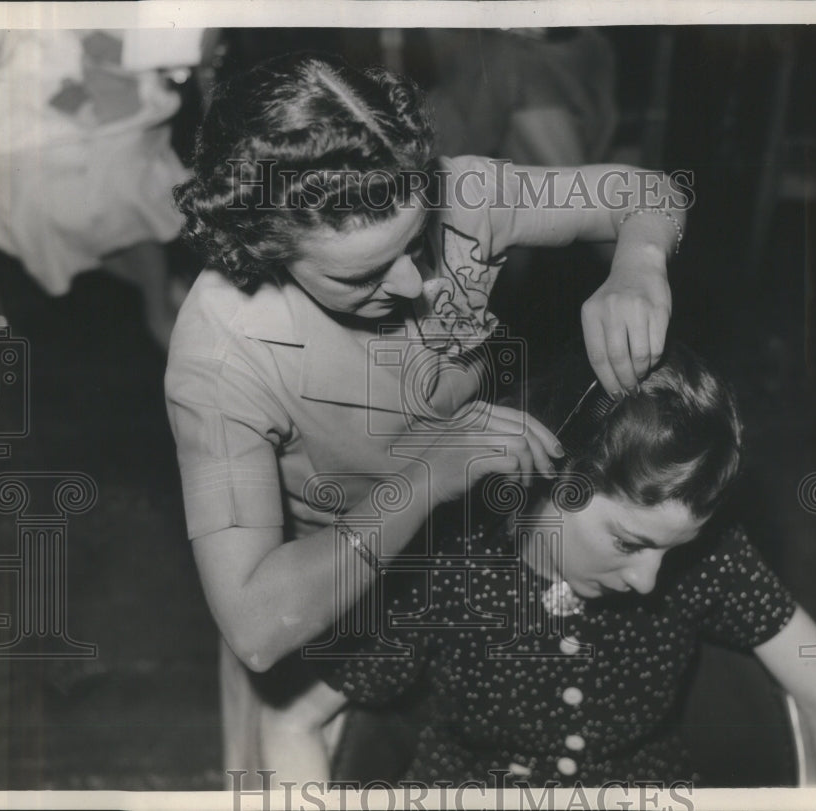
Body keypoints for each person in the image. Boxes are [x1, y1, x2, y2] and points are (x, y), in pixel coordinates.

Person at [164, 52, 687, 780]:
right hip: (329, 592)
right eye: (362, 274)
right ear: (264, 248)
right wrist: (421, 481)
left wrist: (638, 267)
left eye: (415, 242)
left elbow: (650, 192)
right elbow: (257, 623)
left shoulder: (457, 193)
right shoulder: (220, 354)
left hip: (482, 542)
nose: (413, 281)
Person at [318, 343, 816, 786]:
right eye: (628, 543)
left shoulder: (708, 556)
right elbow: (293, 719)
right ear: (556, 483)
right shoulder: (445, 562)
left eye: (672, 550)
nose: (649, 579)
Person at [0, 29, 209, 349]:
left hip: (93, 86)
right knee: (48, 211)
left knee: (121, 189)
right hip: (12, 106)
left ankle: (158, 306)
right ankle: (161, 289)